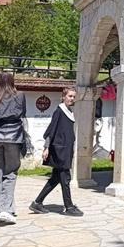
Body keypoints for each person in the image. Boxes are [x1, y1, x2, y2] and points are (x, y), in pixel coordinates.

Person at [30, 88, 83, 217]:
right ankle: (69, 206)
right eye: (70, 96)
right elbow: (51, 130)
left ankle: (37, 202)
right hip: (60, 150)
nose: (72, 99)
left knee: (55, 178)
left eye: (73, 96)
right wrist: (46, 147)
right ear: (63, 96)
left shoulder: (69, 112)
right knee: (65, 177)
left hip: (65, 149)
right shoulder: (59, 111)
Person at [0, 72, 27, 225]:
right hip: (14, 137)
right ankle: (4, 210)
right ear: (12, 81)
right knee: (10, 173)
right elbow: (22, 115)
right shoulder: (20, 96)